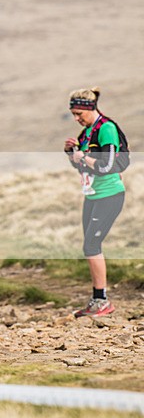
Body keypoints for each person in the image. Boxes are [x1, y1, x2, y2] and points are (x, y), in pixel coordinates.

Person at [64, 87, 125, 317]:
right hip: (92, 195)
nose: (76, 119)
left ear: (91, 108)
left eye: (79, 114)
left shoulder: (107, 128)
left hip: (109, 195)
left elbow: (106, 165)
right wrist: (71, 154)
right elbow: (82, 166)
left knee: (91, 246)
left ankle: (102, 302)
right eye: (73, 114)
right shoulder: (88, 132)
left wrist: (83, 156)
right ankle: (97, 300)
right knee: (89, 247)